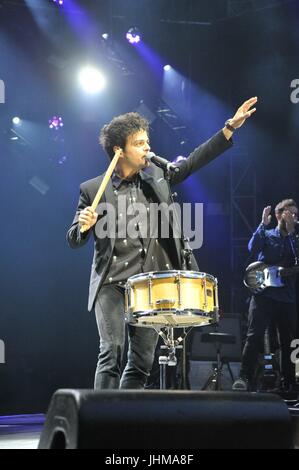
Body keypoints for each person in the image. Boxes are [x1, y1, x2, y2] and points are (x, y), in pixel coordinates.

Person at [67, 97, 257, 390]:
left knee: (142, 361)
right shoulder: (93, 189)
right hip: (112, 282)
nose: (147, 149)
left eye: (147, 141)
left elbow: (193, 161)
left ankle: (124, 422)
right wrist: (83, 227)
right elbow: (74, 239)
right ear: (119, 150)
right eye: (140, 143)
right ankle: (98, 419)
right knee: (112, 351)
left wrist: (229, 128)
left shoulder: (157, 177)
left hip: (149, 284)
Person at [233, 199, 299, 392]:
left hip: (286, 297)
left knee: (289, 340)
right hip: (264, 295)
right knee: (254, 336)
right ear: (279, 214)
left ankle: (289, 381)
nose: (293, 217)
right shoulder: (268, 235)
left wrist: (291, 233)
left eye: (296, 215)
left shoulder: (295, 239)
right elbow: (252, 248)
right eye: (290, 213)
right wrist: (263, 223)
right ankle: (245, 377)